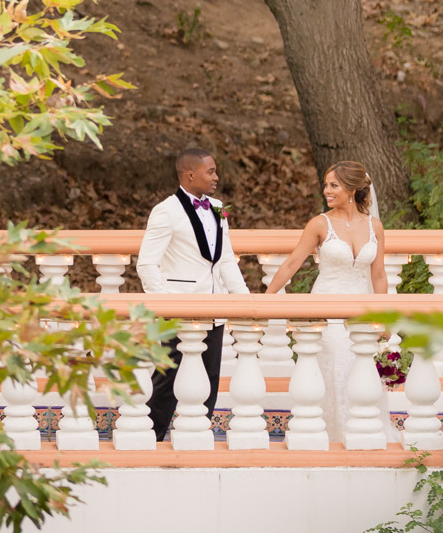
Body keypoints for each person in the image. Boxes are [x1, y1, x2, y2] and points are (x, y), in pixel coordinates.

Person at [264, 160, 391, 442]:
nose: (326, 191)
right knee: (336, 367)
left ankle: (364, 433)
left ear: (352, 188)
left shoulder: (375, 226)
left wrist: (383, 316)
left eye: (333, 185)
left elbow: (379, 274)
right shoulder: (319, 224)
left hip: (363, 308)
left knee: (362, 367)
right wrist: (265, 300)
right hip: (327, 308)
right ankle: (331, 435)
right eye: (326, 185)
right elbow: (291, 264)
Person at [136, 147, 249, 442]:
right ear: (190, 174)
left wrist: (244, 299)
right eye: (210, 171)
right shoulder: (165, 211)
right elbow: (146, 263)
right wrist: (165, 305)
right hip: (179, 309)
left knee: (210, 377)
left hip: (215, 307)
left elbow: (225, 258)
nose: (216, 177)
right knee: (167, 378)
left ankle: (197, 434)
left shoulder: (218, 207)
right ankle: (151, 435)